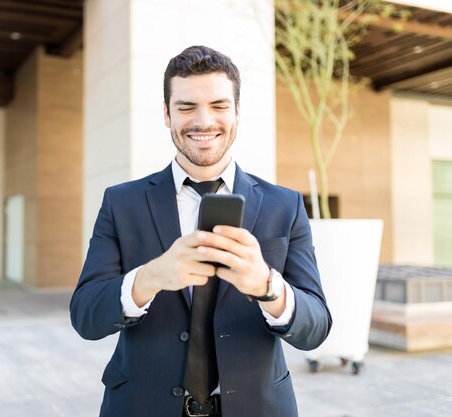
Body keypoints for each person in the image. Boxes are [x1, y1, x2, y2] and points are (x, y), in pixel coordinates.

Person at [70, 45, 332, 417]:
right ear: (166, 114)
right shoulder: (120, 203)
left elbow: (316, 327)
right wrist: (150, 277)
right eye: (186, 106)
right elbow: (85, 316)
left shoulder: (285, 206)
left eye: (220, 106)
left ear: (238, 112)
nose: (204, 121)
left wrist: (267, 285)